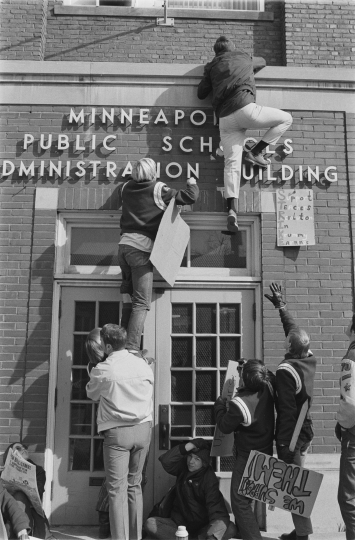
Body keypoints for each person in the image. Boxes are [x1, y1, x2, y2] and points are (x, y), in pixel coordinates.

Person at [197, 35, 292, 233]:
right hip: (245, 109)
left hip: (225, 118)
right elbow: (263, 62)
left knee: (231, 165)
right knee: (285, 119)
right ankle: (256, 152)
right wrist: (247, 68)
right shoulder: (243, 56)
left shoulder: (212, 66)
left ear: (216, 52)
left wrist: (212, 75)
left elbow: (201, 93)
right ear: (232, 48)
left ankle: (232, 210)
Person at [118, 157, 199, 355]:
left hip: (123, 247)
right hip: (141, 250)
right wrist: (192, 182)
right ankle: (130, 348)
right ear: (152, 172)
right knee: (142, 302)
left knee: (128, 297)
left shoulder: (125, 188)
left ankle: (119, 345)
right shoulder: (158, 189)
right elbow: (190, 197)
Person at [86, 323, 154, 540]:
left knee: (116, 491)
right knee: (135, 486)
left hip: (117, 432)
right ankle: (136, 537)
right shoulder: (143, 365)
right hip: (144, 430)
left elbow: (92, 394)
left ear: (107, 346)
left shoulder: (104, 369)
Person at [264, 282, 317, 540]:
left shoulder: (286, 372)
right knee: (298, 482)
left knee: (295, 486)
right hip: (306, 429)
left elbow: (286, 412)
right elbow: (294, 330)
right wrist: (281, 307)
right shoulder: (308, 358)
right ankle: (300, 530)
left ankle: (303, 535)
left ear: (289, 346)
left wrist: (283, 444)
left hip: (293, 434)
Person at [214, 359, 276, 540]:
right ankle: (246, 532)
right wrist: (250, 365)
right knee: (248, 497)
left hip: (248, 457)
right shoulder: (267, 388)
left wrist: (219, 405)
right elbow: (268, 373)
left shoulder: (239, 404)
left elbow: (225, 426)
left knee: (240, 502)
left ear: (245, 379)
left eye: (241, 373)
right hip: (265, 452)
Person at [144, 438, 237, 540]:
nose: (191, 461)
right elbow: (166, 460)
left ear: (204, 463)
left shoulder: (209, 479)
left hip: (202, 528)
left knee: (230, 528)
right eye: (190, 456)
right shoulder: (183, 468)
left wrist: (212, 536)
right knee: (151, 523)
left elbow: (218, 512)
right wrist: (191, 444)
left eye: (197, 459)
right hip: (179, 525)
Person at [2, 443, 55, 540]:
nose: (24, 449)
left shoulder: (38, 471)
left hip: (28, 507)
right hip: (6, 509)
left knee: (20, 496)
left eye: (25, 447)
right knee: (16, 499)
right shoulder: (3, 469)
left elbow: (37, 495)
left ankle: (20, 533)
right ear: (10, 454)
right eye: (18, 448)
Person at [335, 314, 355, 540]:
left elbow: (349, 406)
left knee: (348, 498)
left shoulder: (351, 357)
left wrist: (342, 424)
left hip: (354, 436)